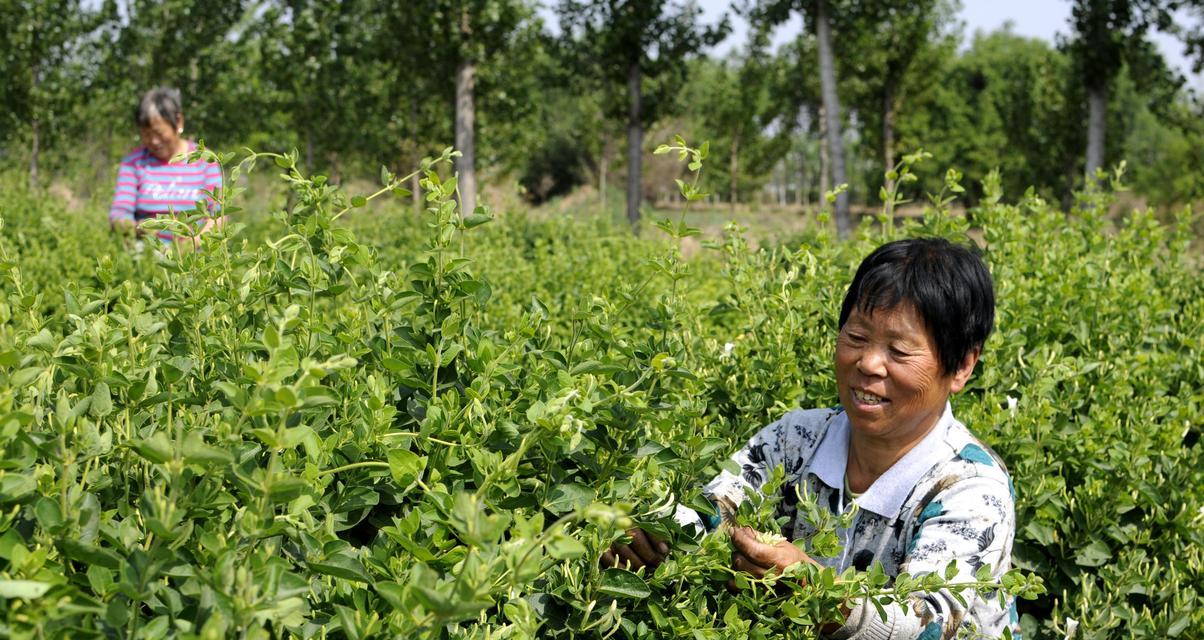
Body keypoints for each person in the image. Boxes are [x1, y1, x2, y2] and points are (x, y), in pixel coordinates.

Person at [603, 237, 1021, 639]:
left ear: (962, 366)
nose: (869, 363)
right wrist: (653, 530)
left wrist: (818, 592)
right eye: (856, 338)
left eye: (898, 351)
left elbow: (928, 624)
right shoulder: (796, 437)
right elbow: (715, 510)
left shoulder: (971, 488)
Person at [108, 87, 223, 246]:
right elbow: (119, 215)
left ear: (179, 122)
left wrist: (191, 245)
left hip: (197, 255)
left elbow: (219, 215)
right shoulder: (133, 163)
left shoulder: (204, 159)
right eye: (146, 134)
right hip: (147, 251)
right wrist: (142, 228)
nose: (154, 141)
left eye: (159, 133)